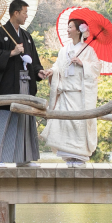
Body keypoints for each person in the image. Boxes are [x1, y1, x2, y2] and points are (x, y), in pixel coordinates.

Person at [0, 0, 50, 166]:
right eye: (24, 13)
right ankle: (0, 158)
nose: (26, 16)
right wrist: (11, 52)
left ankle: (24, 158)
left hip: (25, 84)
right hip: (7, 85)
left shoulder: (27, 37)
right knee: (6, 118)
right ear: (15, 13)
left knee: (25, 119)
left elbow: (34, 60)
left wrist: (38, 71)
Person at [41, 16, 100, 166]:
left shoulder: (89, 51)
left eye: (70, 27)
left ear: (79, 30)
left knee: (79, 125)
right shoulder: (63, 50)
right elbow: (58, 66)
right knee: (65, 124)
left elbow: (96, 68)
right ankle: (68, 156)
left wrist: (83, 63)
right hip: (66, 93)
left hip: (80, 95)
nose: (68, 30)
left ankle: (79, 156)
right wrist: (51, 71)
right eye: (67, 27)